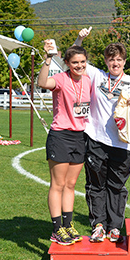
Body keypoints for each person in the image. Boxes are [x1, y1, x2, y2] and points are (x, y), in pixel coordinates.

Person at [74, 28, 130, 243]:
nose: (115, 63)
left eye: (118, 59)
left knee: (116, 186)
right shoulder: (97, 75)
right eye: (110, 59)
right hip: (96, 139)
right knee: (95, 185)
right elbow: (75, 59)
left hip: (122, 144)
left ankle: (115, 227)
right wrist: (80, 39)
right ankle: (98, 225)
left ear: (124, 61)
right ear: (106, 61)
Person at [38, 41, 91, 246]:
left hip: (79, 137)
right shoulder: (60, 79)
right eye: (75, 62)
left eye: (83, 61)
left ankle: (68, 225)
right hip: (60, 135)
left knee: (71, 185)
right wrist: (48, 58)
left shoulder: (87, 81)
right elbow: (43, 82)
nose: (79, 65)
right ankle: (56, 228)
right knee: (58, 184)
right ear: (67, 63)